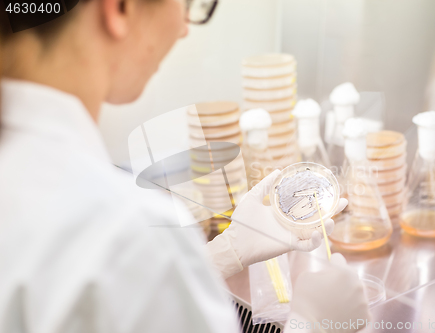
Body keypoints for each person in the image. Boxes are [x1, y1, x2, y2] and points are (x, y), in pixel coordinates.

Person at [0, 0, 369, 332]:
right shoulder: (128, 230)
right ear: (119, 8)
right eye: (190, 3)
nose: (183, 27)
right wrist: (314, 324)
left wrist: (227, 251)